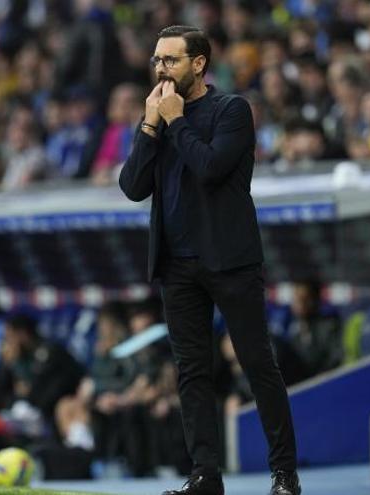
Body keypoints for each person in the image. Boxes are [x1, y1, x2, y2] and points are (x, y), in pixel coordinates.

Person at [118, 25, 300, 495]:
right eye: (157, 60)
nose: (161, 68)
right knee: (191, 373)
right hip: (177, 264)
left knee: (257, 364)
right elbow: (132, 187)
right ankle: (204, 476)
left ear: (198, 64)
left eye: (171, 60)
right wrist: (149, 125)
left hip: (229, 260)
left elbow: (212, 168)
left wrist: (176, 122)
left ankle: (283, 474)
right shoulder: (158, 116)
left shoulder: (231, 110)